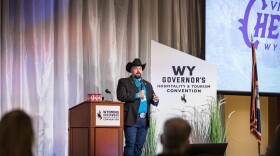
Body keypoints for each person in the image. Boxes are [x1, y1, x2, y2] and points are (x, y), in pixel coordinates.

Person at [117, 58, 159, 156]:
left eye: (140, 68)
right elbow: (121, 96)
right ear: (131, 70)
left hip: (144, 120)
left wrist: (155, 100)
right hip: (132, 118)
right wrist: (137, 95)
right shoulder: (124, 82)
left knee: (139, 146)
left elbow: (152, 98)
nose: (138, 70)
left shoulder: (147, 84)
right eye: (135, 68)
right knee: (130, 145)